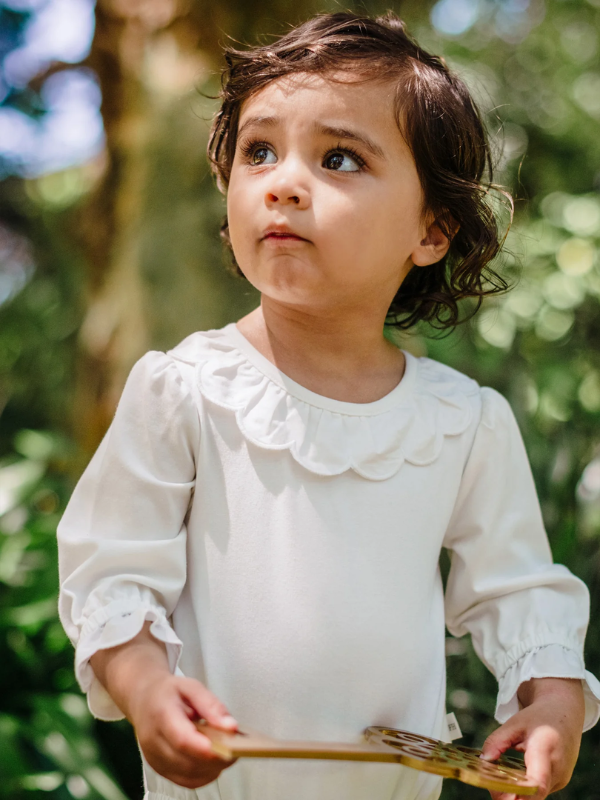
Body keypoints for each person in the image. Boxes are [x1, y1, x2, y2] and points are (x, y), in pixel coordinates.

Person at [57, 11, 600, 800]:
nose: (281, 183)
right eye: (259, 151)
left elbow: (516, 589)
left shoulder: (462, 423)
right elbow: (112, 568)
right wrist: (144, 687)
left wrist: (552, 697)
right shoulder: (185, 389)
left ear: (432, 229)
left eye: (339, 157)